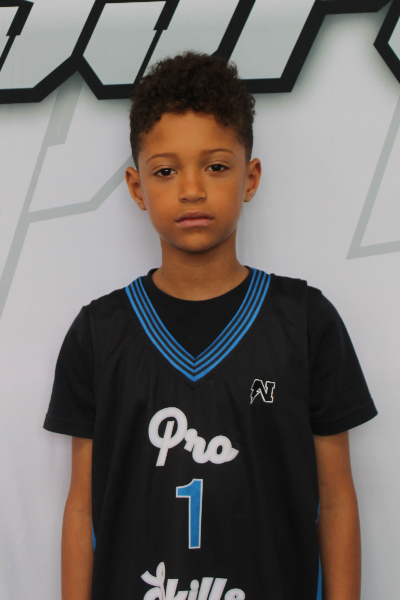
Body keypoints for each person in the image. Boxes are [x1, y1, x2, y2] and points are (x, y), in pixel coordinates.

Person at [43, 50, 378, 600]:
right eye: (166, 170)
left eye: (216, 166)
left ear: (250, 178)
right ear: (136, 187)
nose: (192, 189)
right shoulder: (98, 334)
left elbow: (337, 499)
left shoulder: (305, 322)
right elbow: (82, 508)